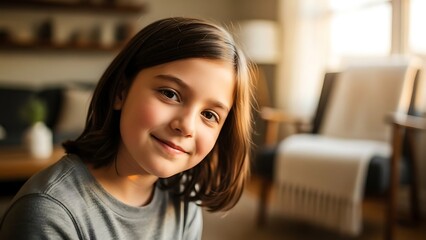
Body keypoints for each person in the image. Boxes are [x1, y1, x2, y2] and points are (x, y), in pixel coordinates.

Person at [0, 17, 255, 239]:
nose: (186, 126)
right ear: (121, 91)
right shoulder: (49, 212)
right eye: (170, 94)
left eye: (209, 114)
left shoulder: (183, 197)